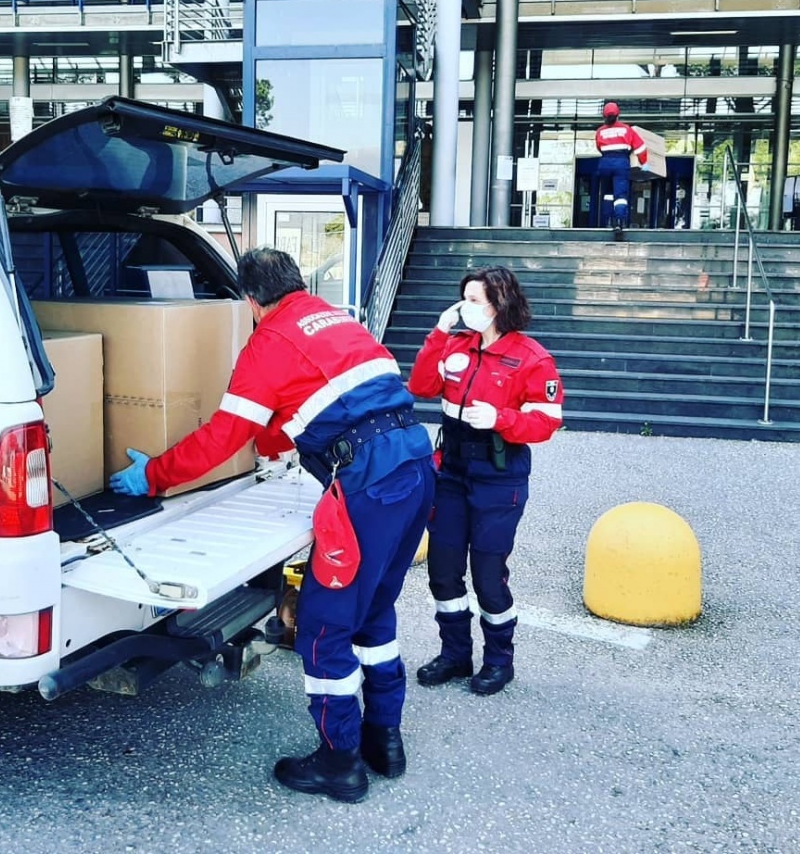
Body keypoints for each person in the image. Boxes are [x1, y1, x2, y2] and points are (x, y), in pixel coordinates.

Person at [110, 247, 434, 804]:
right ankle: (385, 741)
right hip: (414, 467)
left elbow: (223, 435)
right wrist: (269, 439)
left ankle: (340, 764)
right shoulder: (337, 320)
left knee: (325, 625)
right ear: (297, 283)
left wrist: (155, 477)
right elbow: (312, 408)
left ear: (252, 302)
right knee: (375, 609)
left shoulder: (269, 340)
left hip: (369, 485)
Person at [407, 266, 563, 697]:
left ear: (499, 305)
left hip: (499, 476)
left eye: (474, 301)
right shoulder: (456, 345)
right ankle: (455, 654)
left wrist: (502, 419)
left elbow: (547, 423)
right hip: (452, 471)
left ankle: (499, 661)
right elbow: (420, 385)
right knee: (443, 571)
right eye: (464, 300)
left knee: (489, 576)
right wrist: (438, 334)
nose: (465, 309)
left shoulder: (532, 358)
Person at [595, 101, 648, 236]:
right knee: (620, 195)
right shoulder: (626, 129)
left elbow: (599, 148)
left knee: (607, 194)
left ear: (604, 117)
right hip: (621, 163)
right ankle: (619, 223)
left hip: (605, 163)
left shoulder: (600, 131)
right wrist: (644, 162)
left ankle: (607, 221)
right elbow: (641, 147)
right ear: (618, 115)